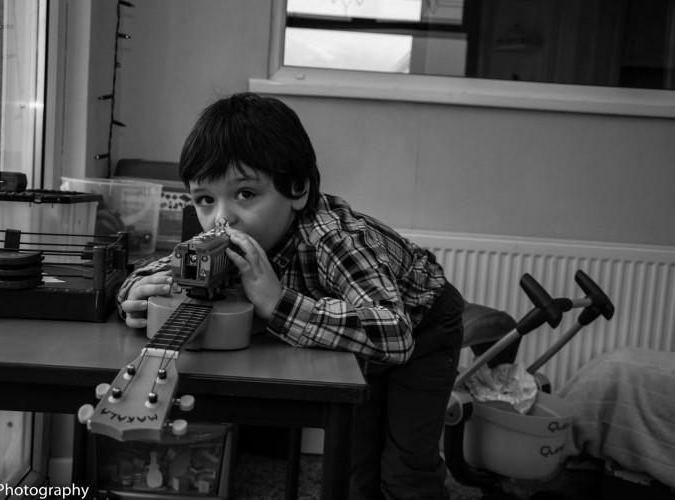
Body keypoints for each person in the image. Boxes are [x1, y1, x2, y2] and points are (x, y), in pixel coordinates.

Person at [117, 92, 464, 500]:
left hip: (423, 326)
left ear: (297, 189)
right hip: (354, 339)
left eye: (245, 193)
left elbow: (394, 333)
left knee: (406, 469)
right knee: (356, 460)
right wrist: (134, 293)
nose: (222, 218)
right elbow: (159, 268)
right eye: (205, 200)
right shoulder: (223, 239)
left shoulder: (331, 238)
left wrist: (277, 301)